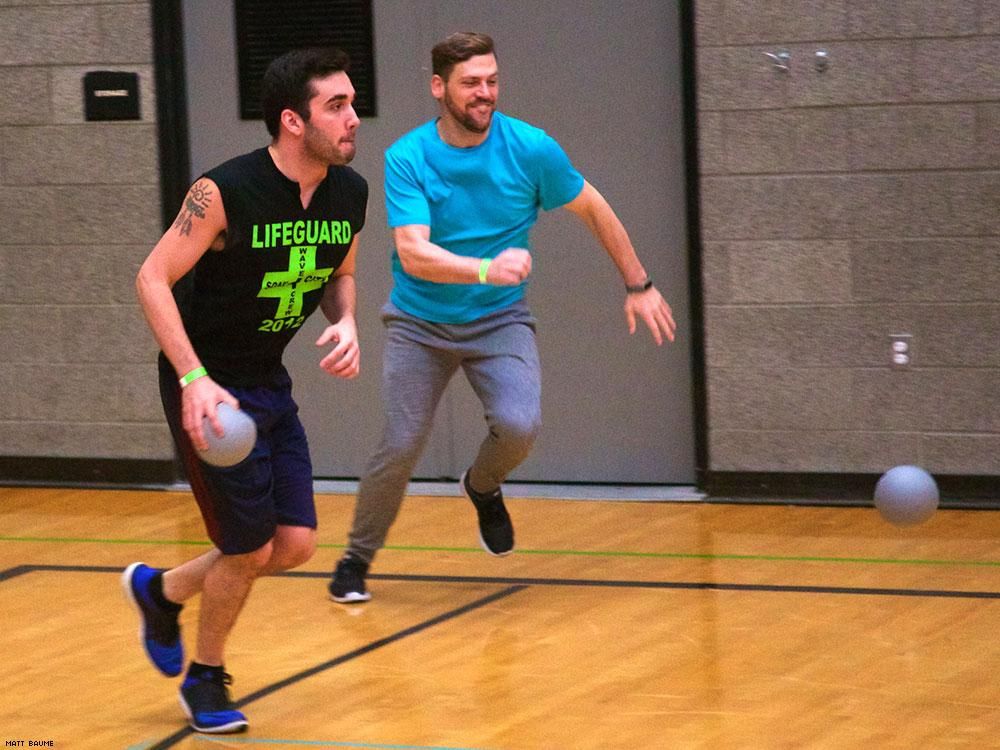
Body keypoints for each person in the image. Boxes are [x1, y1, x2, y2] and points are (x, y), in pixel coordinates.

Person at [327, 32, 675, 604]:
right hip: (419, 324)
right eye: (470, 83)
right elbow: (414, 254)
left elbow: (592, 206)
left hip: (498, 320)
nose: (484, 92)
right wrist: (487, 269)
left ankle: (482, 486)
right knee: (402, 442)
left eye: (491, 81)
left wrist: (638, 284)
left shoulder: (531, 149)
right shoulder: (408, 157)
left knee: (519, 425)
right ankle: (356, 558)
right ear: (439, 87)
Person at [124, 47, 367, 734]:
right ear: (293, 120)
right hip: (207, 388)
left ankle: (161, 591)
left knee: (294, 544)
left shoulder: (349, 193)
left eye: (352, 102)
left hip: (267, 380)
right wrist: (193, 379)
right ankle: (206, 678)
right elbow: (151, 279)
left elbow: (340, 273)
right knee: (247, 547)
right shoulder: (223, 191)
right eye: (337, 106)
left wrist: (346, 321)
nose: (353, 118)